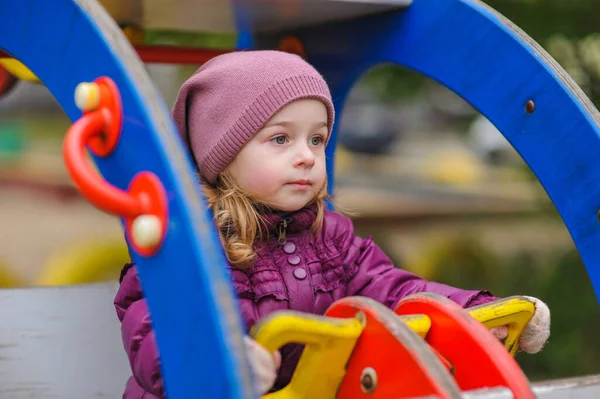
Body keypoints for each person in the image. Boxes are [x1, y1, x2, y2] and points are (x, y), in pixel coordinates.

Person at [114, 50, 551, 398]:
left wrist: (474, 312)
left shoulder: (332, 241)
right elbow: (154, 334)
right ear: (222, 155)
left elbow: (395, 290)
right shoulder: (185, 249)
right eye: (280, 139)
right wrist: (218, 366)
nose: (306, 155)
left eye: (317, 138)